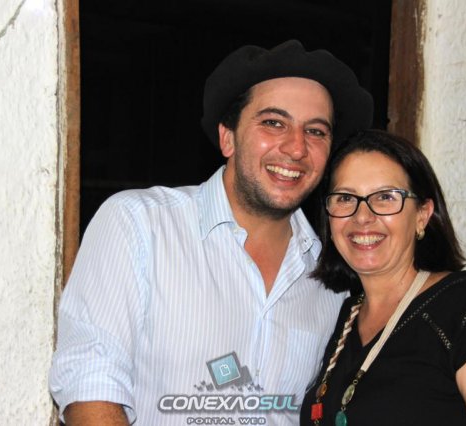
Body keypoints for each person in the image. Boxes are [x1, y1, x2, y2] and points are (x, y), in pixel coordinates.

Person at [49, 40, 373, 425]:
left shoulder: (332, 280)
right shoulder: (140, 225)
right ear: (227, 137)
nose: (296, 147)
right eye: (273, 123)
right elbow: (90, 384)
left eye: (316, 131)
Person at [300, 129, 466, 425]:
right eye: (345, 198)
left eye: (385, 197)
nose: (362, 216)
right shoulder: (345, 316)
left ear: (422, 214)